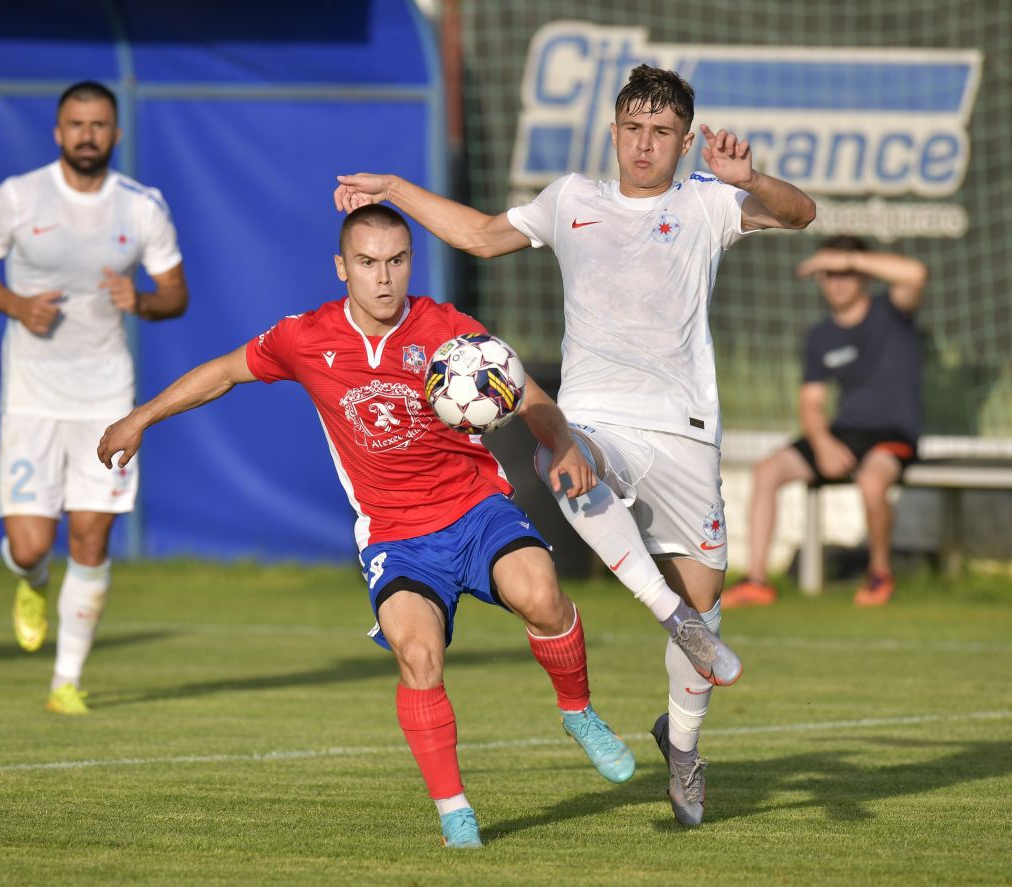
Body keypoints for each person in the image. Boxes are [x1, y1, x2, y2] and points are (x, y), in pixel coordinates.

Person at [333, 64, 816, 826]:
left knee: (707, 603)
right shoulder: (572, 200)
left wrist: (751, 175)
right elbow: (482, 236)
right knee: (564, 460)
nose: (643, 145)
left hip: (685, 431)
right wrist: (394, 187)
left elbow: (801, 213)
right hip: (597, 418)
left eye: (661, 133)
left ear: (685, 141)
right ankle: (666, 612)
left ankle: (682, 746)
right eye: (632, 129)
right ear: (615, 131)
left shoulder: (708, 202)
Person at [100, 204, 646, 849]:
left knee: (543, 595)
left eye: (396, 261)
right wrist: (140, 417)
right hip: (394, 535)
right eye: (367, 263)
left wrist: (564, 443)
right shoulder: (306, 337)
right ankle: (454, 811)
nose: (383, 278)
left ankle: (578, 712)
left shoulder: (449, 330)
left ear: (410, 263)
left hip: (474, 510)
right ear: (342, 268)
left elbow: (527, 396)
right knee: (418, 655)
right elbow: (224, 371)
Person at [0, 80, 189, 715]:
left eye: (99, 124)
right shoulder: (19, 196)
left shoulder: (142, 207)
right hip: (32, 395)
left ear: (116, 133)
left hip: (105, 398)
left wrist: (139, 300)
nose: (87, 135)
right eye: (76, 124)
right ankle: (30, 581)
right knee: (31, 544)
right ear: (58, 132)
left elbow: (175, 295)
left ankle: (65, 681)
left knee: (90, 539)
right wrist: (15, 304)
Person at [723, 236, 928, 609]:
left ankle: (879, 575)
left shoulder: (892, 311)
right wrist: (822, 444)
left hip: (892, 435)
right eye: (830, 274)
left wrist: (848, 258)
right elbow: (812, 403)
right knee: (767, 471)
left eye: (847, 273)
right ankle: (756, 581)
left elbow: (915, 274)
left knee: (871, 479)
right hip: (842, 435)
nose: (838, 282)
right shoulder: (820, 337)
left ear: (864, 275)